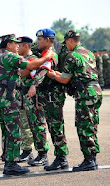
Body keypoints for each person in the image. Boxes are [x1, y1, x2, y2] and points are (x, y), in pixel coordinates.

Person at [0, 34, 54, 175]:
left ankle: (9, 161)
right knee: (14, 132)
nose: (17, 46)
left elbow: (21, 72)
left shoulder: (1, 56)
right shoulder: (10, 56)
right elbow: (31, 65)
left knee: (8, 132)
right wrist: (47, 57)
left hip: (2, 100)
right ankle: (11, 164)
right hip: (9, 100)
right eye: (15, 44)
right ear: (8, 44)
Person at [47, 29, 102, 172]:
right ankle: (92, 159)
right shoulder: (89, 53)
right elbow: (73, 74)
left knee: (84, 126)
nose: (66, 46)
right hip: (95, 91)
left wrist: (52, 75)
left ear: (70, 40)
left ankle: (89, 160)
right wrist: (58, 74)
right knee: (92, 124)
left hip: (84, 93)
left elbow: (64, 79)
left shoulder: (72, 56)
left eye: (66, 42)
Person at [27, 28, 69, 170]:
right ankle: (60, 158)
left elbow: (44, 70)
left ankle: (62, 158)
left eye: (40, 39)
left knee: (56, 126)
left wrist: (34, 85)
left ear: (47, 40)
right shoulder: (44, 53)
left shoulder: (50, 54)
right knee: (52, 126)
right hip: (47, 95)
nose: (37, 42)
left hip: (53, 95)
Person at [16, 36, 36, 162]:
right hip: (22, 95)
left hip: (31, 97)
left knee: (31, 124)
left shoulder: (32, 60)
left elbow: (22, 74)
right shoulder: (23, 60)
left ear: (26, 46)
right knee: (23, 124)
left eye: (20, 45)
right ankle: (26, 150)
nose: (17, 47)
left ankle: (29, 150)